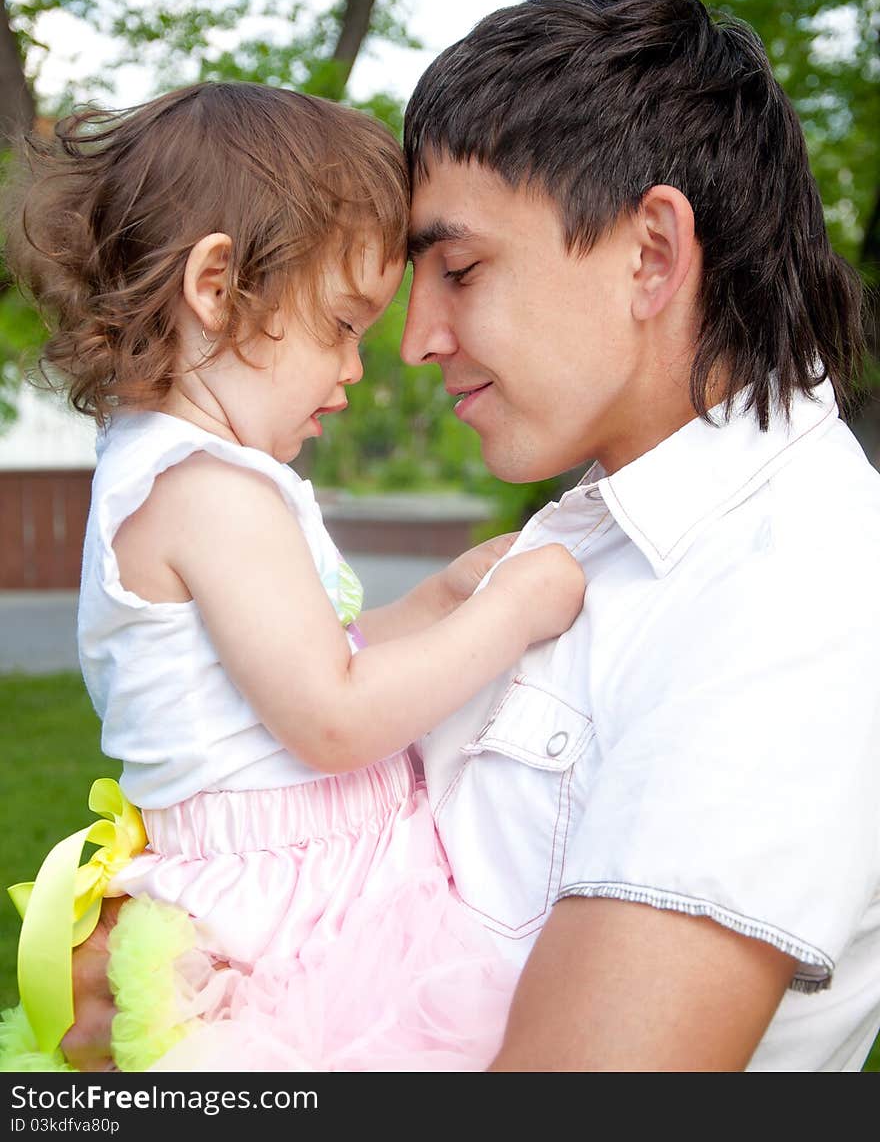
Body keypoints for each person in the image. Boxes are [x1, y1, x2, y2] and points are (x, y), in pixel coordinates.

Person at [32, 0, 880, 1073]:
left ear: (653, 254)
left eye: (461, 268)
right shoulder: (600, 530)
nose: (415, 338)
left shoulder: (794, 591)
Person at [0, 81, 586, 1073]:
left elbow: (317, 662)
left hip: (299, 888)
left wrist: (445, 599)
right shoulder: (209, 493)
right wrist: (513, 615)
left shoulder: (184, 473)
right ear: (217, 286)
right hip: (295, 934)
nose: (359, 369)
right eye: (341, 325)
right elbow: (332, 719)